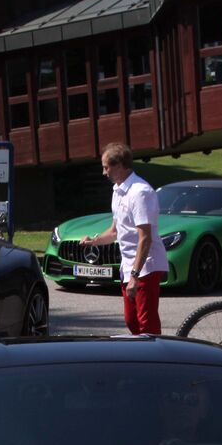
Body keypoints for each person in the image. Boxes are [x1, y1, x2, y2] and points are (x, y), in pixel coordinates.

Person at [72, 143, 166, 336]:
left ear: (120, 166)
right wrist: (94, 241)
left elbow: (145, 238)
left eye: (106, 167)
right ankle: (142, 352)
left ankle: (156, 354)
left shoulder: (140, 192)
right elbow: (115, 231)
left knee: (146, 324)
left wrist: (135, 275)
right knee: (131, 321)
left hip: (146, 266)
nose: (103, 172)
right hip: (128, 266)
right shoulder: (118, 190)